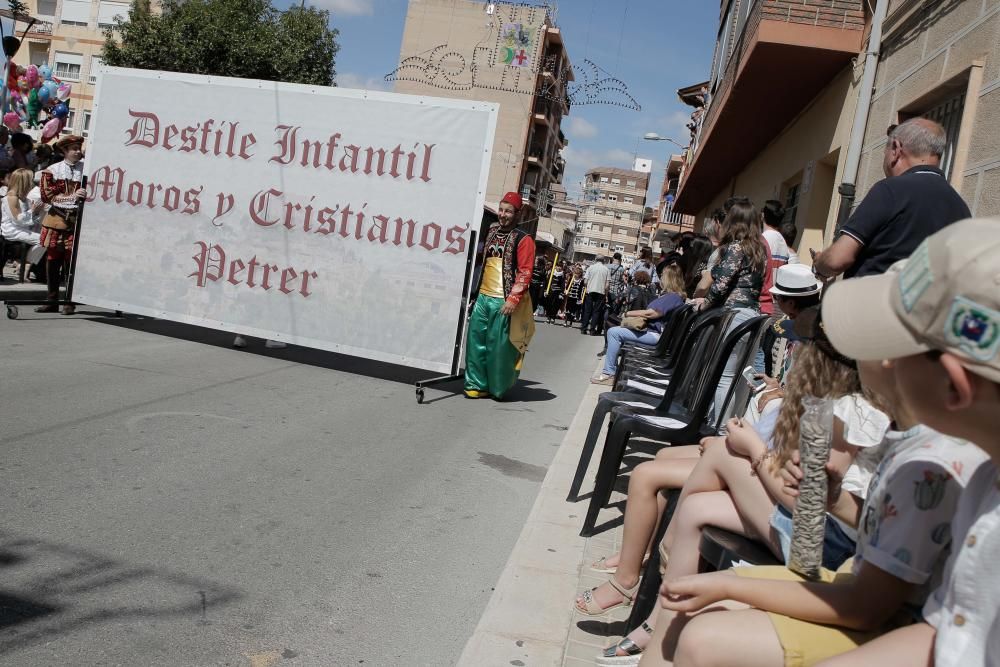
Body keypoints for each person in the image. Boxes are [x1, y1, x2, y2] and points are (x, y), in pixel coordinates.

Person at [644, 352, 987, 667]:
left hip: (864, 594)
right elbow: (889, 530)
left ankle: (644, 607)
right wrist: (834, 498)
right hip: (857, 581)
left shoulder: (929, 463)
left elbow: (866, 606)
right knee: (700, 604)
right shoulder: (921, 444)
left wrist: (728, 586)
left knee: (701, 636)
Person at [815, 218, 1000, 667]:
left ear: (954, 387)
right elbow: (951, 635)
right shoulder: (984, 479)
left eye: (896, 348)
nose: (882, 360)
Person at [811, 118, 970, 281]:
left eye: (885, 150)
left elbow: (836, 260)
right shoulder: (961, 208)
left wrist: (819, 264)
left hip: (871, 302)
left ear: (896, 148)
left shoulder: (890, 190)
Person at [692, 200, 767, 422]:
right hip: (753, 315)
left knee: (724, 376)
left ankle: (720, 428)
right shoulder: (759, 250)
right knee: (737, 377)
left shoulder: (736, 247)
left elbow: (720, 285)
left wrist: (703, 305)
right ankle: (729, 424)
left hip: (734, 315)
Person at [463, 192, 536, 399]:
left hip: (502, 301)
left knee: (498, 348)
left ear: (517, 214)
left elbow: (525, 272)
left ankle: (497, 387)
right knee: (475, 341)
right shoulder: (492, 232)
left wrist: (513, 299)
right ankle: (476, 384)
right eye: (501, 210)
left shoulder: (524, 239)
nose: (503, 215)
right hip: (483, 297)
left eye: (508, 211)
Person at [590, 265, 686, 385]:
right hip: (656, 334)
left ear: (668, 278)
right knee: (616, 331)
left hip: (654, 335)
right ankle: (612, 371)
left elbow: (652, 314)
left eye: (662, 276)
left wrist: (628, 313)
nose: (660, 278)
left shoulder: (672, 297)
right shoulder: (676, 297)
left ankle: (609, 374)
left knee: (614, 332)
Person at [36, 134, 85, 314]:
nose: (78, 152)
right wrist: (73, 196)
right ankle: (52, 299)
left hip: (78, 220)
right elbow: (47, 196)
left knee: (71, 262)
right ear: (64, 151)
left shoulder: (87, 170)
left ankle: (69, 300)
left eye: (79, 149)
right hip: (57, 219)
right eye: (74, 149)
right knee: (53, 259)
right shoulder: (52, 170)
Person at [1, 168, 46, 276]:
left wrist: (36, 212)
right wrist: (33, 211)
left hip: (22, 228)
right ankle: (25, 264)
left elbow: (28, 220)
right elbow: (18, 220)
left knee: (47, 237)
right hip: (12, 230)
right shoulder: (11, 197)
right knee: (44, 240)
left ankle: (26, 265)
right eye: (30, 180)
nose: (32, 183)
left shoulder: (23, 197)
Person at [758, 200, 790, 317]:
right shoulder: (783, 242)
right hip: (776, 303)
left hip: (761, 301)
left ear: (763, 216)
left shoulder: (762, 240)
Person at [581, 255, 611, 336]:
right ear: (604, 260)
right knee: (596, 311)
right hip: (601, 292)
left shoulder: (590, 268)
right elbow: (607, 285)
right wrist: (606, 295)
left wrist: (588, 286)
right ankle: (592, 330)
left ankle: (584, 328)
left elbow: (585, 281)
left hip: (590, 291)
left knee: (587, 310)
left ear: (595, 259)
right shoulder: (606, 269)